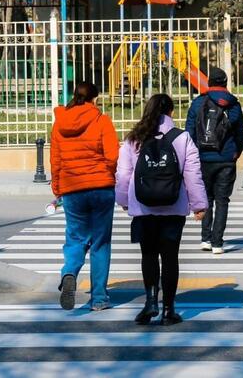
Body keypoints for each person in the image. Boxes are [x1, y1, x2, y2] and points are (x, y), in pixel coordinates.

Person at [116, 93, 207, 325]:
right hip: (173, 207)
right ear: (171, 112)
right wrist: (199, 205)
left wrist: (124, 200)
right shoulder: (182, 138)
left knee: (148, 255)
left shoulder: (134, 139)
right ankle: (168, 310)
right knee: (170, 258)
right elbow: (192, 174)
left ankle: (150, 302)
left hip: (143, 207)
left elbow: (123, 174)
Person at [50, 81, 119, 311]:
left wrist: (58, 187)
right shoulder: (102, 121)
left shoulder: (60, 124)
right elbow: (112, 156)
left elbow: (56, 160)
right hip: (100, 187)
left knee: (76, 238)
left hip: (72, 189)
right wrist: (106, 173)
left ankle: (69, 272)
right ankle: (99, 298)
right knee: (100, 242)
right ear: (95, 99)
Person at [185, 66, 243, 255]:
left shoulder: (198, 103)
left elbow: (189, 132)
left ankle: (206, 239)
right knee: (222, 200)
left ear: (209, 83)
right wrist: (235, 153)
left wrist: (194, 154)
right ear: (225, 83)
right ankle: (217, 243)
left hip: (203, 159)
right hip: (226, 159)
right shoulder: (233, 105)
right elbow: (240, 134)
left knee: (206, 198)